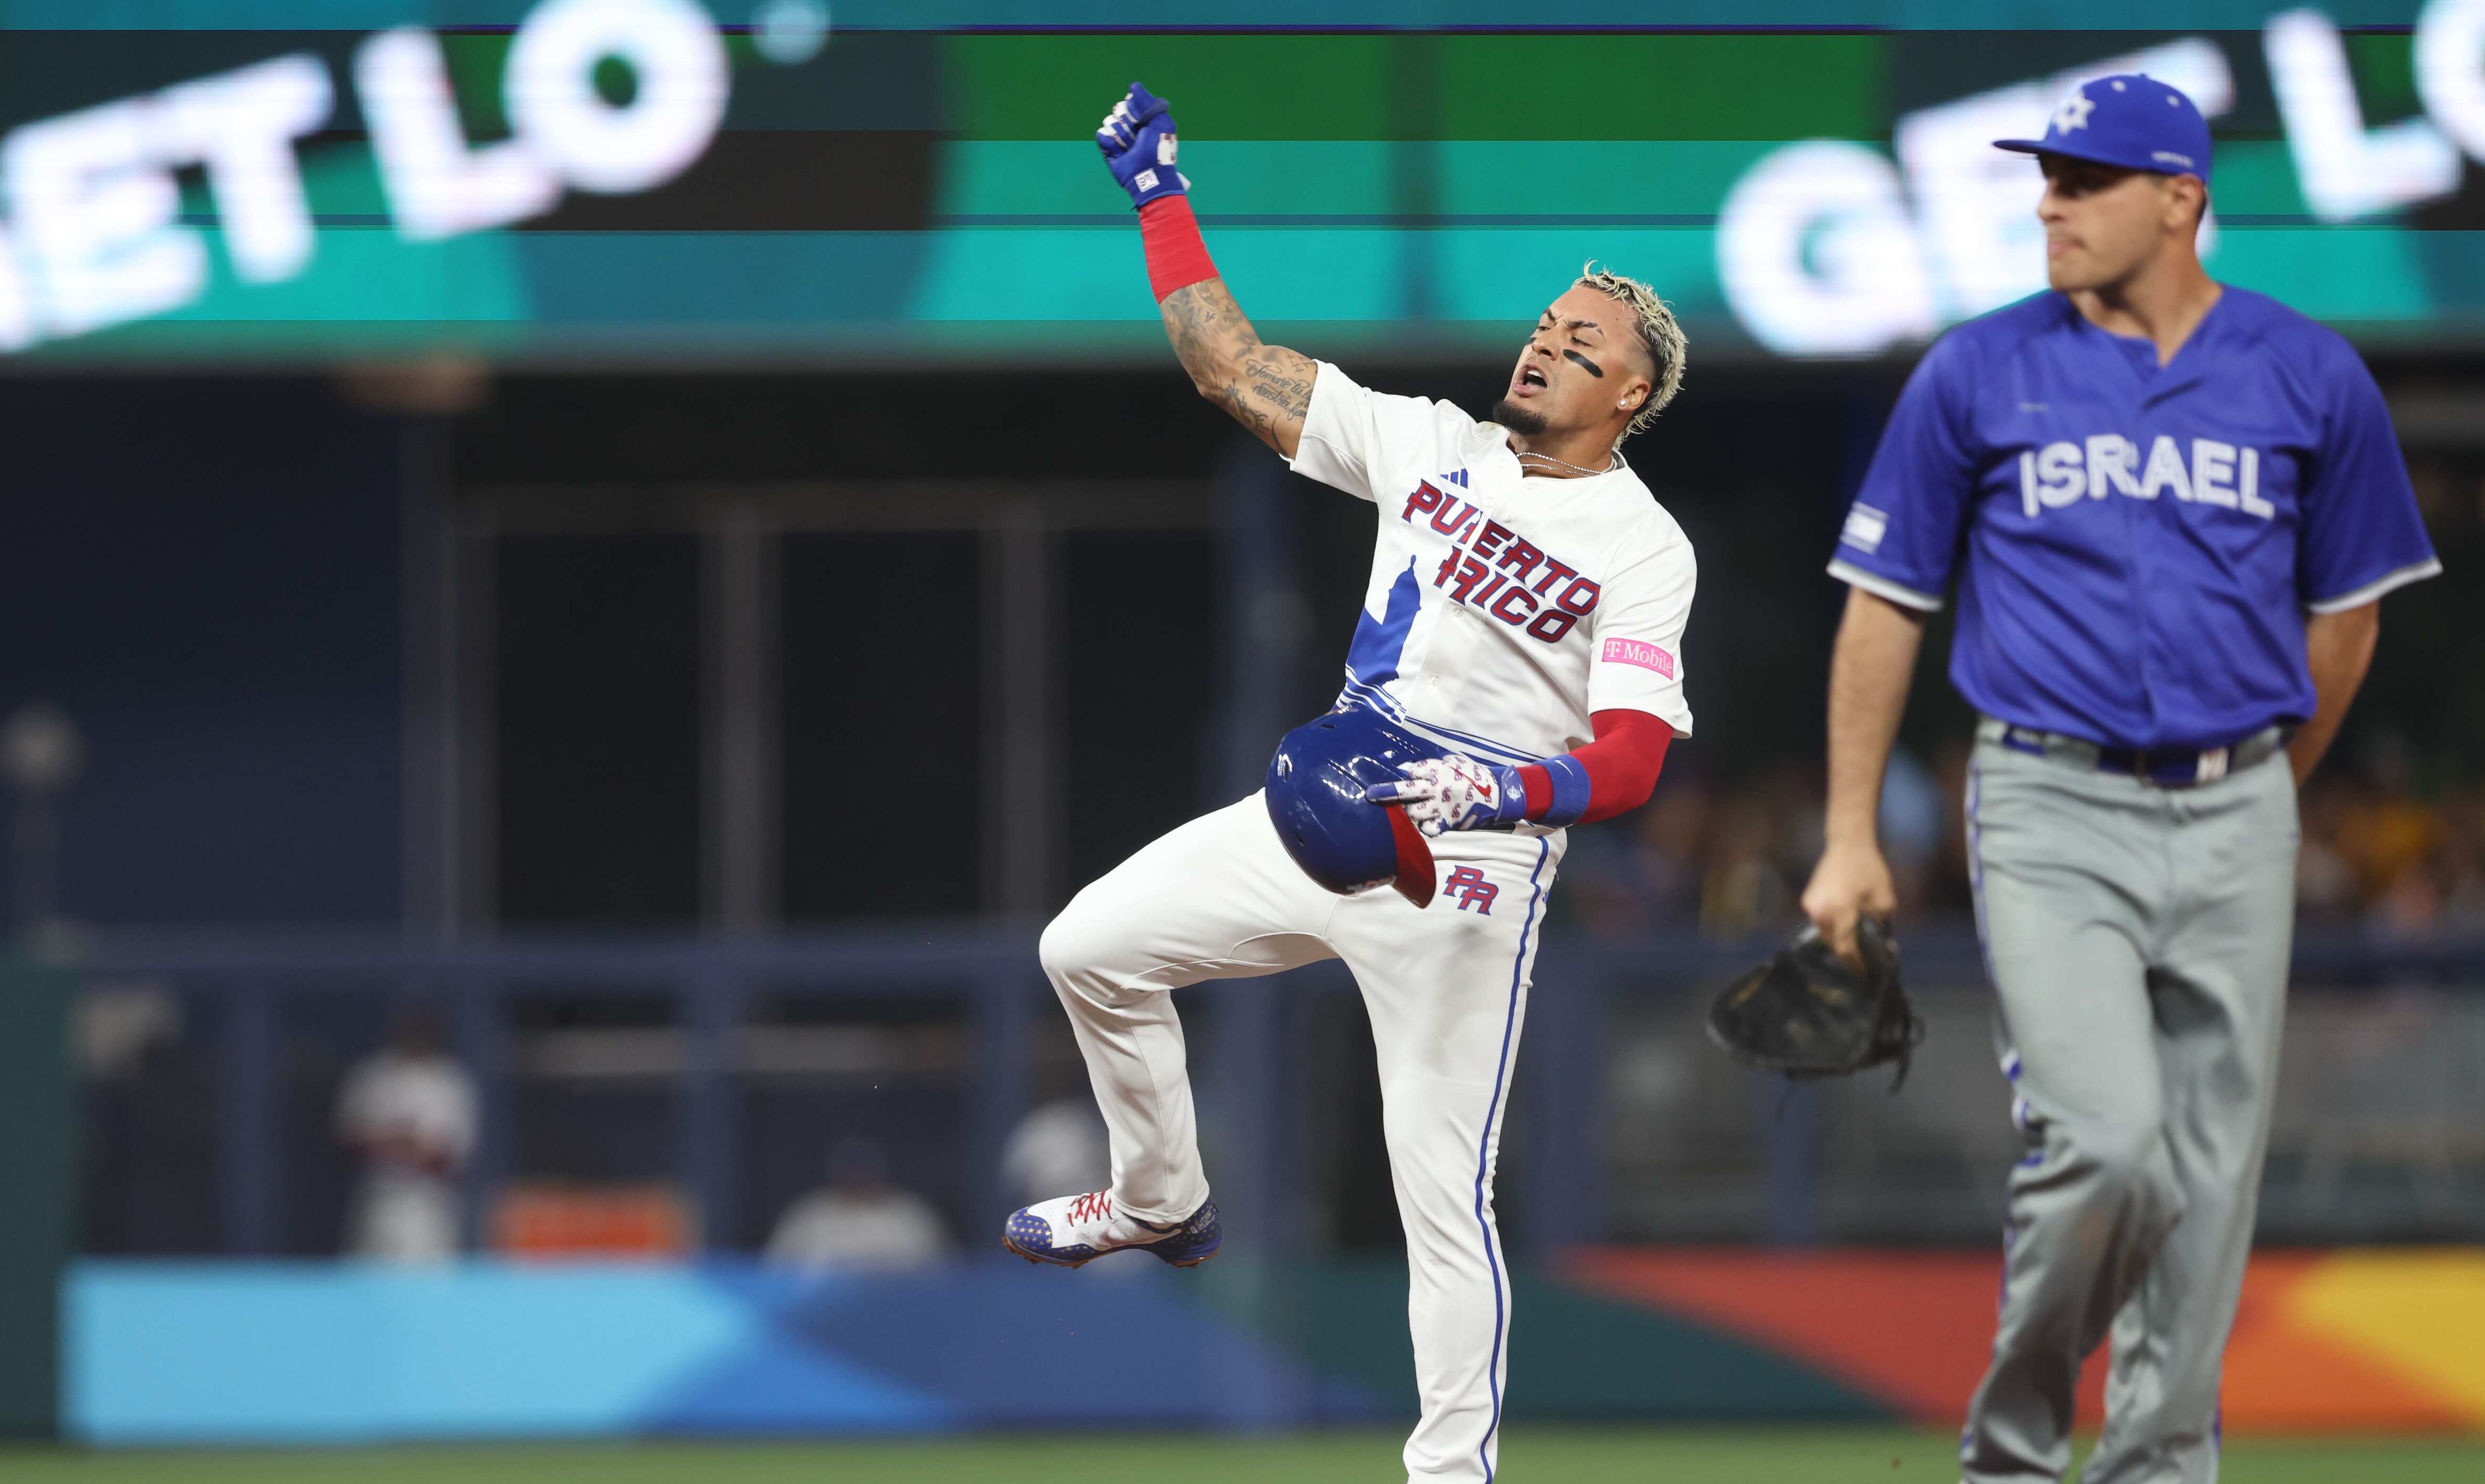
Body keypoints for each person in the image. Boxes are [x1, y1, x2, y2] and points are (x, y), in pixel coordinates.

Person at [999, 85, 1696, 1483]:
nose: (1548, 345)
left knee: (1441, 1192)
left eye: (1584, 343)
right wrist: (1159, 195)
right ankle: (1162, 1199)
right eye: (1546, 325)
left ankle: (1452, 1472)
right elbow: (1228, 364)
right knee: (1085, 947)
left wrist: (1504, 797)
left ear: (1632, 393)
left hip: (1469, 867)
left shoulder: (1642, 543)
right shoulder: (1427, 441)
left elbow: (1631, 760)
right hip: (1321, 808)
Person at [1797, 74, 2439, 1484]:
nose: (2049, 202)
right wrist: (1851, 833)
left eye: (2085, 179)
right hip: (2050, 797)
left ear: (2181, 199)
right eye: (2048, 175)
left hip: (2238, 807)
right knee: (2107, 1139)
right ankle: (2016, 1448)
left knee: (2210, 1184)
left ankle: (2155, 1467)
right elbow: (1885, 602)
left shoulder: (2307, 369)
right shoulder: (1977, 367)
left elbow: (2353, 613)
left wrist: (2269, 780)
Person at [337, 1007, 479, 1263]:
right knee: (369, 1289)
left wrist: (398, 1144)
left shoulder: (449, 1081)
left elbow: (448, 1157)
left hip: (427, 1207)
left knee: (429, 1289)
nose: (415, 1036)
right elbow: (349, 1140)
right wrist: (402, 1142)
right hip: (378, 1201)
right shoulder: (374, 1074)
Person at [763, 1136, 952, 1272]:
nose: (857, 1176)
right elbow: (775, 1273)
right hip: (821, 1317)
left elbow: (944, 1274)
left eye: (864, 1170)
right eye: (850, 1170)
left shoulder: (910, 1215)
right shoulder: (809, 1215)